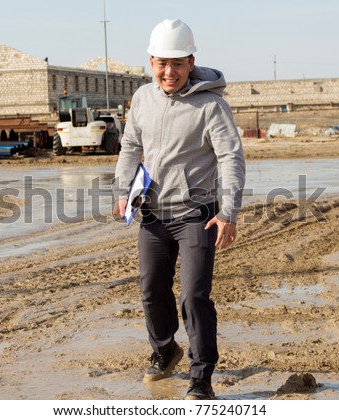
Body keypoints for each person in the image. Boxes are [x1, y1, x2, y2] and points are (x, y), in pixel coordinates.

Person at [113, 19, 245, 400]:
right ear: (151, 62)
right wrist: (123, 190)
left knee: (193, 296)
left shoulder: (211, 106)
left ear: (190, 62)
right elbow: (130, 148)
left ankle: (201, 377)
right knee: (152, 289)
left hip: (197, 215)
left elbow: (231, 158)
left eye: (177, 63)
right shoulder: (141, 98)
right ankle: (165, 349)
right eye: (161, 63)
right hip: (153, 214)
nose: (168, 72)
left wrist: (229, 212)